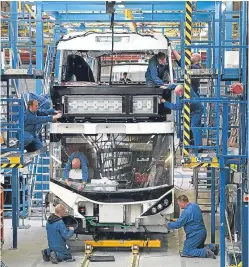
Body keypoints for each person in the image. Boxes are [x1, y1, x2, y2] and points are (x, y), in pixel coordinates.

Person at [160, 84, 204, 149]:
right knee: (194, 127)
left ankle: (198, 147)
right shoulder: (186, 87)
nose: (177, 96)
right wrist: (167, 87)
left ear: (181, 93)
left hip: (196, 111)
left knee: (195, 127)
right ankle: (196, 142)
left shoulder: (184, 99)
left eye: (177, 95)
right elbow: (176, 86)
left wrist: (164, 101)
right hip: (192, 110)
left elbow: (176, 107)